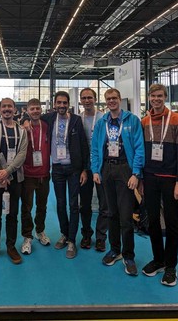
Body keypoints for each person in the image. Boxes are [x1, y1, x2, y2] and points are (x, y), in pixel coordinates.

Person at [91, 88, 144, 276]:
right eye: (108, 99)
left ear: (120, 99)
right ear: (105, 101)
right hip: (106, 169)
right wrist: (95, 170)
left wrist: (136, 173)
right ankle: (115, 250)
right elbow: (95, 148)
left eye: (114, 98)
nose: (111, 101)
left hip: (125, 169)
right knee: (110, 212)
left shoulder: (132, 120)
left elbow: (139, 148)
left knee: (126, 215)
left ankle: (128, 255)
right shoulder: (102, 123)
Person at [141, 83, 178, 287]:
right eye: (153, 96)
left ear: (165, 97)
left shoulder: (177, 119)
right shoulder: (144, 121)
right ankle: (158, 259)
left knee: (171, 223)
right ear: (149, 98)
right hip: (150, 178)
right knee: (152, 221)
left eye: (160, 96)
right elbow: (142, 151)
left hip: (170, 179)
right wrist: (141, 179)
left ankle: (171, 266)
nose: (156, 99)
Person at [42, 91, 89, 259]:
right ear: (54, 104)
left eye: (64, 103)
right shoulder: (49, 118)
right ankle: (64, 233)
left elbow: (83, 145)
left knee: (73, 204)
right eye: (59, 102)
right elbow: (32, 117)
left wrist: (84, 169)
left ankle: (72, 240)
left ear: (68, 104)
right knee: (60, 204)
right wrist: (25, 120)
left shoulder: (76, 120)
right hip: (57, 169)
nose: (62, 105)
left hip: (74, 169)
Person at [0, 98, 28, 265]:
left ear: (15, 109)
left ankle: (11, 246)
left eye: (10, 106)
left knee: (12, 214)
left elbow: (22, 154)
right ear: (0, 109)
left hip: (15, 178)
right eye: (4, 106)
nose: (7, 109)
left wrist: (8, 172)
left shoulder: (21, 130)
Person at [20, 98, 51, 255]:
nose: (35, 111)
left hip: (44, 174)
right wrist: (24, 121)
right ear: (27, 110)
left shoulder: (47, 126)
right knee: (26, 207)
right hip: (27, 175)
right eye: (32, 109)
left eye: (37, 108)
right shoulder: (22, 128)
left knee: (42, 206)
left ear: (41, 109)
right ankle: (27, 236)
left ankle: (40, 231)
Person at [79, 87, 107, 252]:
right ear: (80, 100)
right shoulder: (78, 119)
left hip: (101, 167)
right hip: (84, 168)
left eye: (90, 97)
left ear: (95, 99)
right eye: (84, 98)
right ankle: (86, 234)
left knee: (104, 204)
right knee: (84, 204)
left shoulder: (104, 118)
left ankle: (101, 237)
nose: (87, 100)